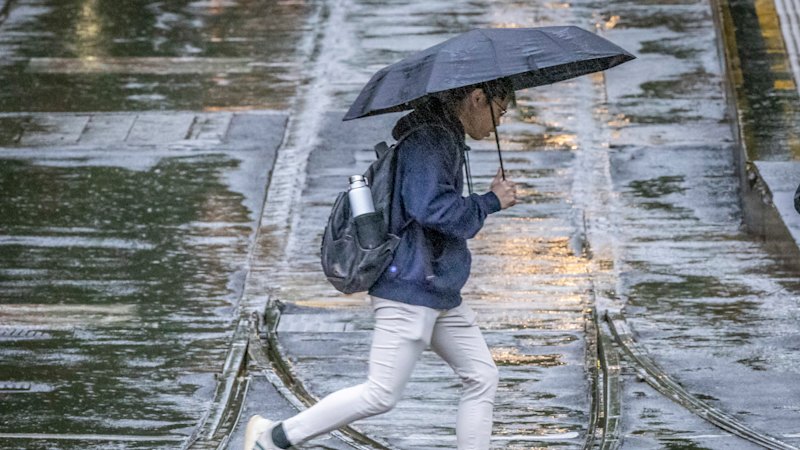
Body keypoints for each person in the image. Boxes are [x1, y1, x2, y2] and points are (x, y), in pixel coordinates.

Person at [244, 78, 518, 450]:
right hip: (411, 285)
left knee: (482, 377)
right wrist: (489, 202)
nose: (498, 122)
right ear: (476, 98)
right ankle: (272, 438)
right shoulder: (432, 141)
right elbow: (431, 208)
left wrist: (482, 201)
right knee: (380, 394)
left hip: (436, 286)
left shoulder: (442, 136)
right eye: (499, 111)